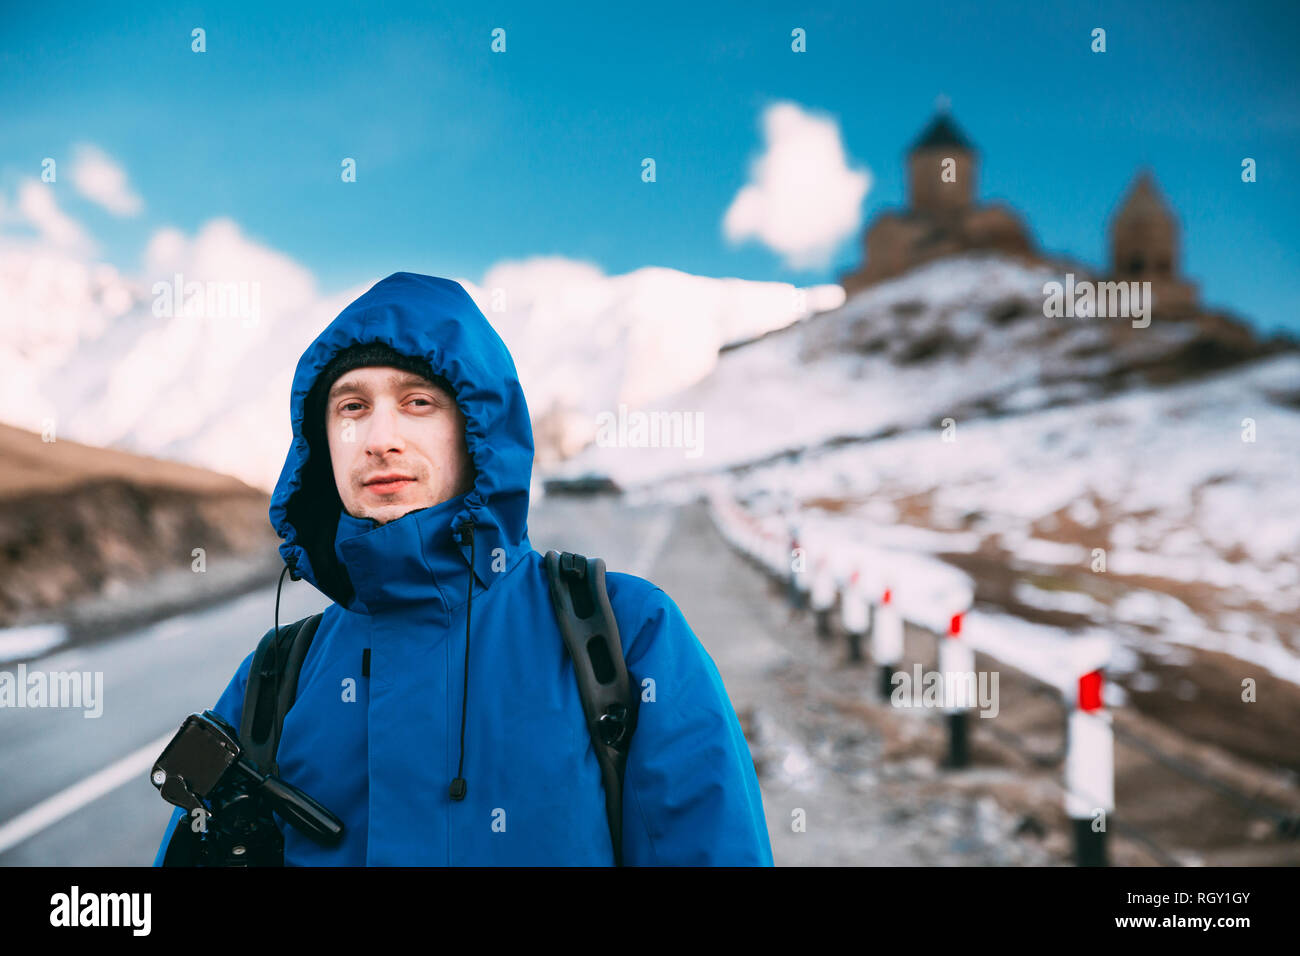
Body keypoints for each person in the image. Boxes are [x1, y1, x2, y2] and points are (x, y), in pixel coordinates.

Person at [151, 271, 773, 866]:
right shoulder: (273, 678)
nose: (379, 437)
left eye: (418, 401)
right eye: (351, 407)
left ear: (476, 431)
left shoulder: (627, 635)